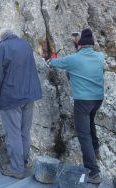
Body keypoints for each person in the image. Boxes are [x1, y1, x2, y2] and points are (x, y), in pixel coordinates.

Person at [48, 28, 104, 184]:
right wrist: (81, 46)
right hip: (97, 99)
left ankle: (93, 173)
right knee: (91, 123)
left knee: (83, 135)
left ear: (80, 44)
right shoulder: (100, 57)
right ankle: (96, 150)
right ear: (92, 44)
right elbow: (92, 53)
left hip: (83, 101)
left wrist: (52, 56)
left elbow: (52, 63)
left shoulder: (73, 59)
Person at [0, 30, 42, 179]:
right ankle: (22, 162)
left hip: (11, 98)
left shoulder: (2, 47)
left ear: (2, 38)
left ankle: (17, 169)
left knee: (13, 135)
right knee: (25, 132)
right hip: (29, 96)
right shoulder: (25, 45)